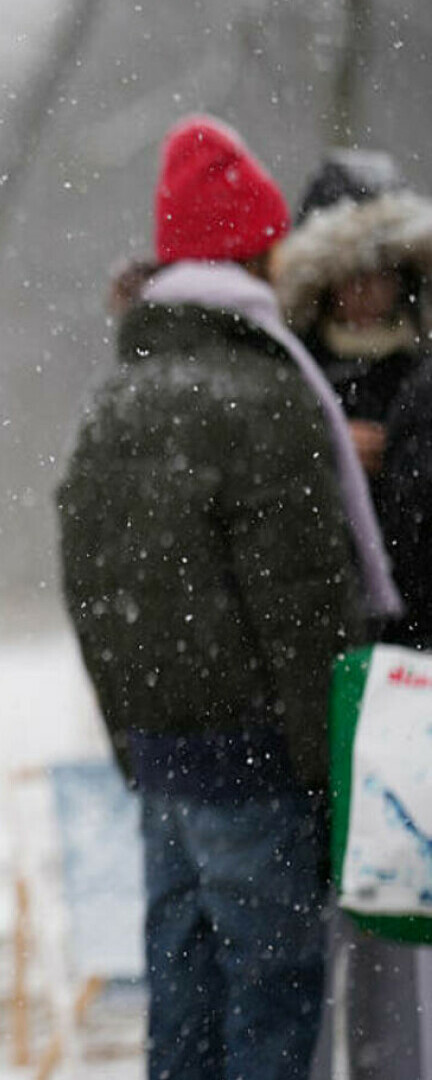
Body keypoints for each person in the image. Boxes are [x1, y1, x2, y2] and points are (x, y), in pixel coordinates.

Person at [56, 116, 387, 1080]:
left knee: (186, 998)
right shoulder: (266, 391)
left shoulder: (122, 393)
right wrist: (329, 773)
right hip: (258, 764)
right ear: (259, 250)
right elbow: (305, 610)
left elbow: (91, 590)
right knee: (273, 1000)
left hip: (165, 765)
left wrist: (134, 741)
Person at [271, 148, 432, 1080]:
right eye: (350, 275)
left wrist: (401, 467)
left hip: (401, 678)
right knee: (305, 924)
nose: (367, 293)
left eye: (383, 272)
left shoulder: (421, 381)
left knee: (392, 918)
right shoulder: (287, 379)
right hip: (313, 684)